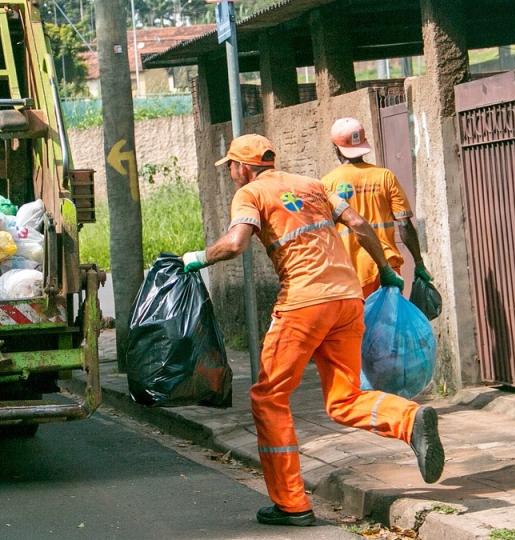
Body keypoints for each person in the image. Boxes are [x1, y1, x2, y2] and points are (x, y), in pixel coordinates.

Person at [181, 134, 444, 527]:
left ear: (243, 167)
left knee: (269, 397)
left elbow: (236, 244)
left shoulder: (250, 194)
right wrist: (386, 269)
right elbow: (358, 223)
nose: (232, 175)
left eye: (231, 167)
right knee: (343, 398)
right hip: (347, 299)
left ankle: (291, 504)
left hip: (303, 303)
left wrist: (199, 258)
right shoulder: (313, 185)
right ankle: (409, 419)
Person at [321, 117, 432, 298]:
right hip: (388, 269)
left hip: (352, 273)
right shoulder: (385, 177)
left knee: (359, 326)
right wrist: (418, 262)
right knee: (389, 324)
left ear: (336, 148)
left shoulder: (326, 183)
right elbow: (404, 225)